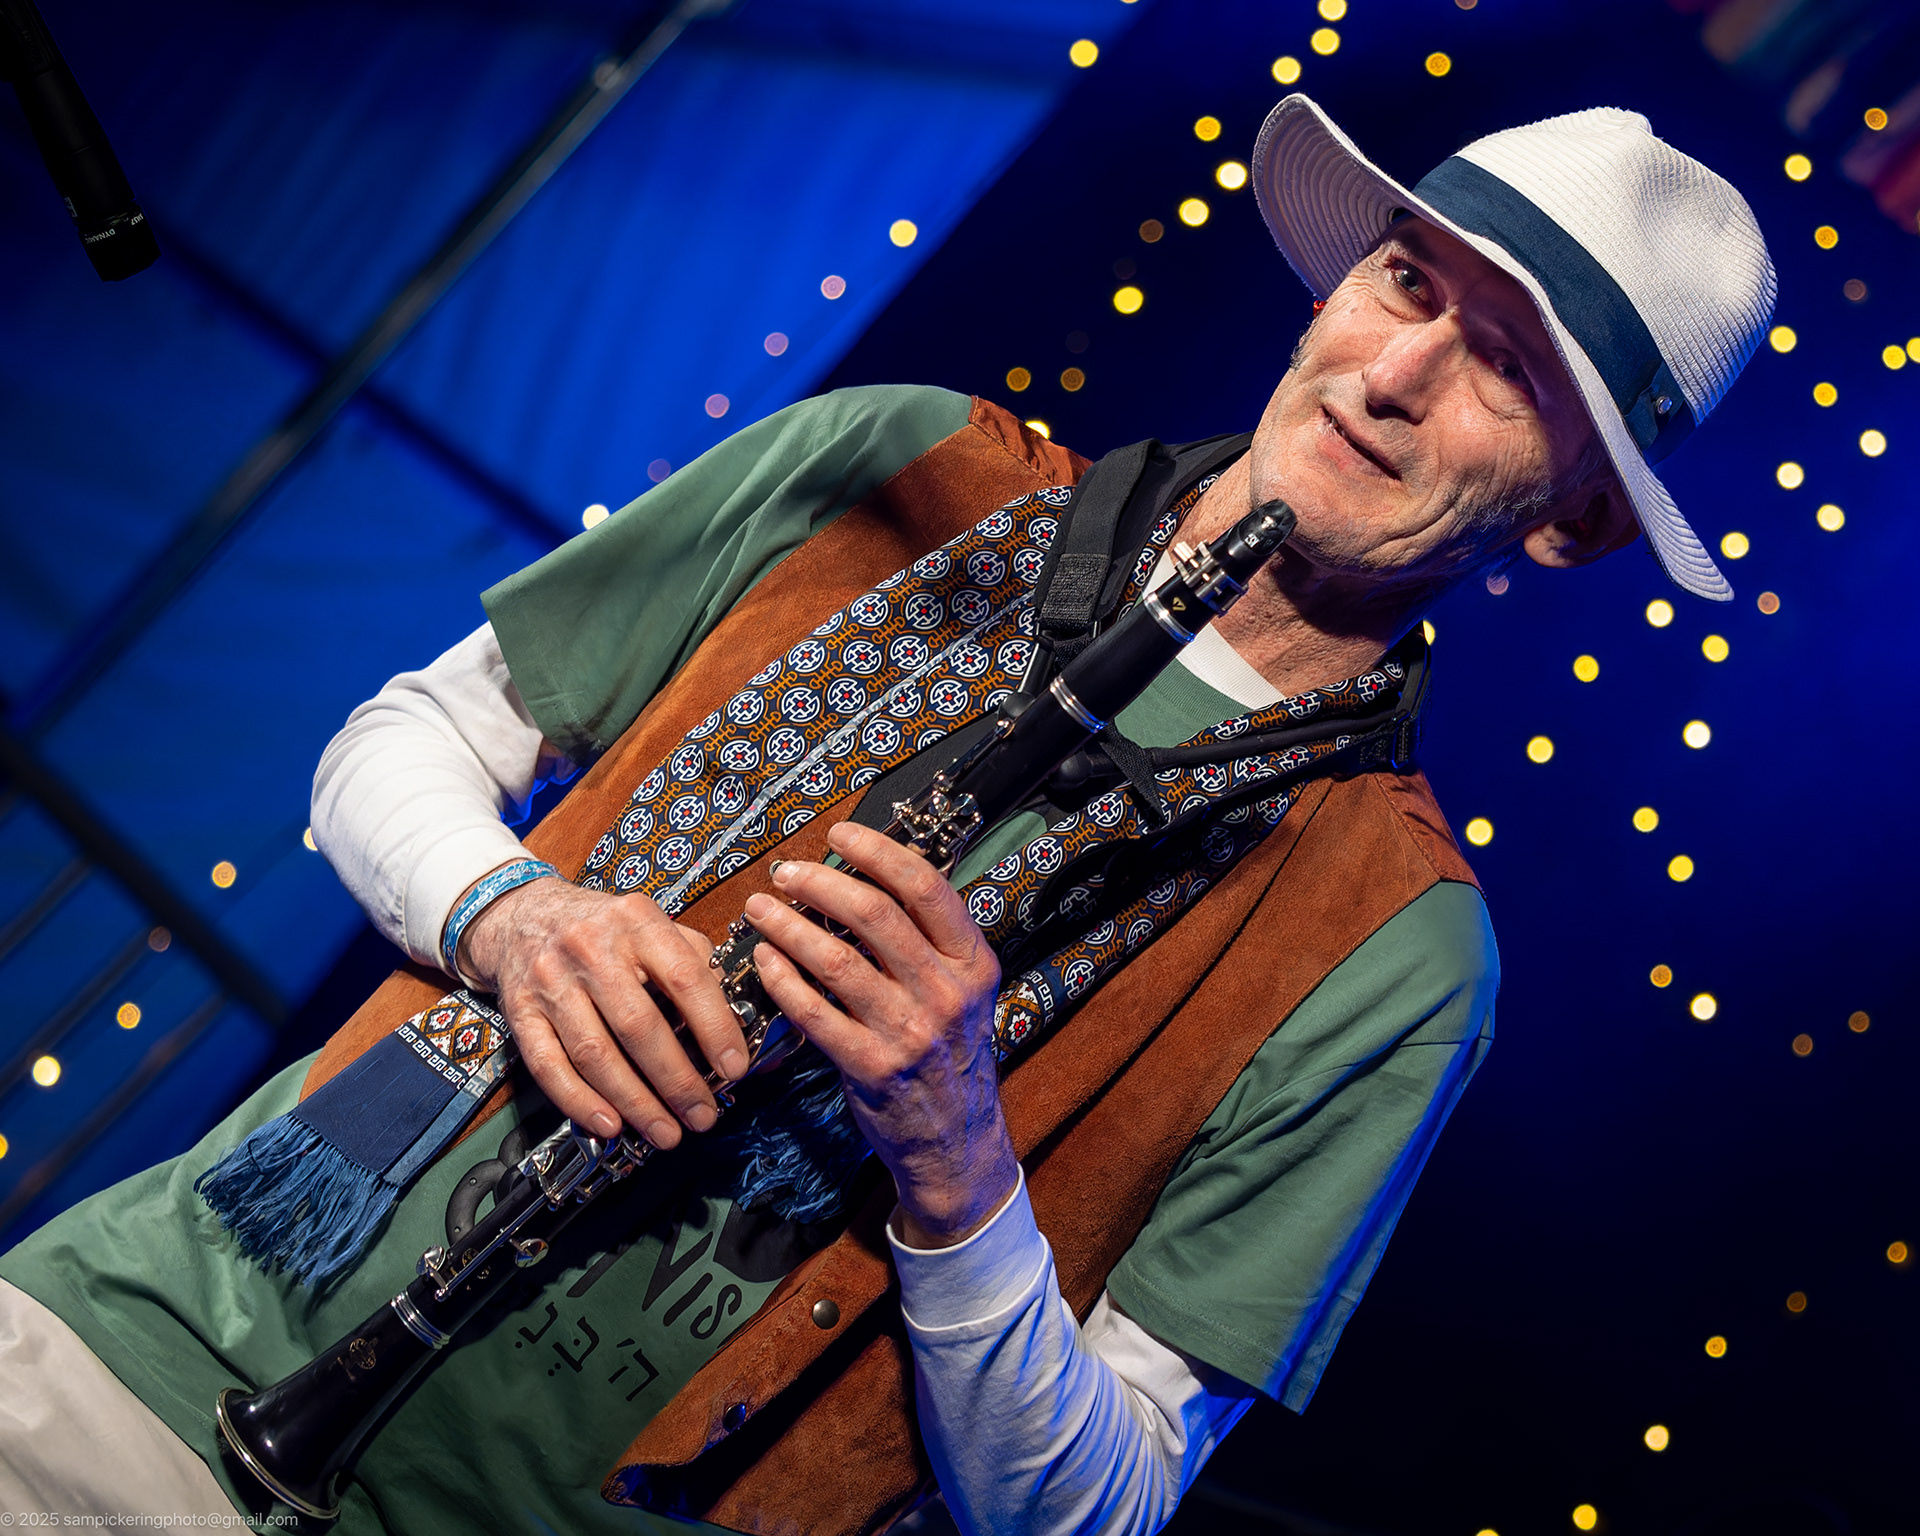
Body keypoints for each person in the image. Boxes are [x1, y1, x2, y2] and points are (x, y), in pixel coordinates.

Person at [0, 94, 1773, 1535]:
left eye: (1503, 369)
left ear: (1573, 518)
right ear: (1332, 292)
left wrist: (953, 1152)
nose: (1393, 374)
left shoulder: (1400, 946)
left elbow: (1096, 1511)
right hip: (147, 1348)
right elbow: (396, 743)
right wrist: (515, 917)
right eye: (1404, 283)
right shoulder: (910, 461)